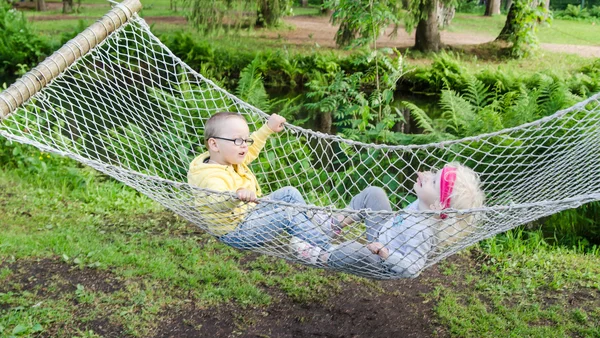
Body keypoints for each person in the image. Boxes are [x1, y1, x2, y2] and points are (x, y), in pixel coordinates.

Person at [188, 112, 333, 262]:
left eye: (246, 139)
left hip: (249, 214)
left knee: (289, 193)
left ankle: (315, 233)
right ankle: (328, 249)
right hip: (236, 232)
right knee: (287, 214)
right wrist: (236, 195)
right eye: (237, 140)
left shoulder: (228, 157)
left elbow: (252, 147)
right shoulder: (209, 176)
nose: (244, 145)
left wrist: (268, 128)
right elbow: (216, 201)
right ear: (214, 144)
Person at [325, 162, 485, 277]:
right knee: (375, 194)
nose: (429, 176)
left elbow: (413, 268)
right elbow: (430, 192)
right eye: (434, 174)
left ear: (440, 205)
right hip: (382, 231)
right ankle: (333, 224)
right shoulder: (425, 206)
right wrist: (427, 180)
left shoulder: (423, 232)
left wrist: (385, 253)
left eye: (434, 181)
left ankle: (321, 255)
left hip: (380, 261)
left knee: (352, 250)